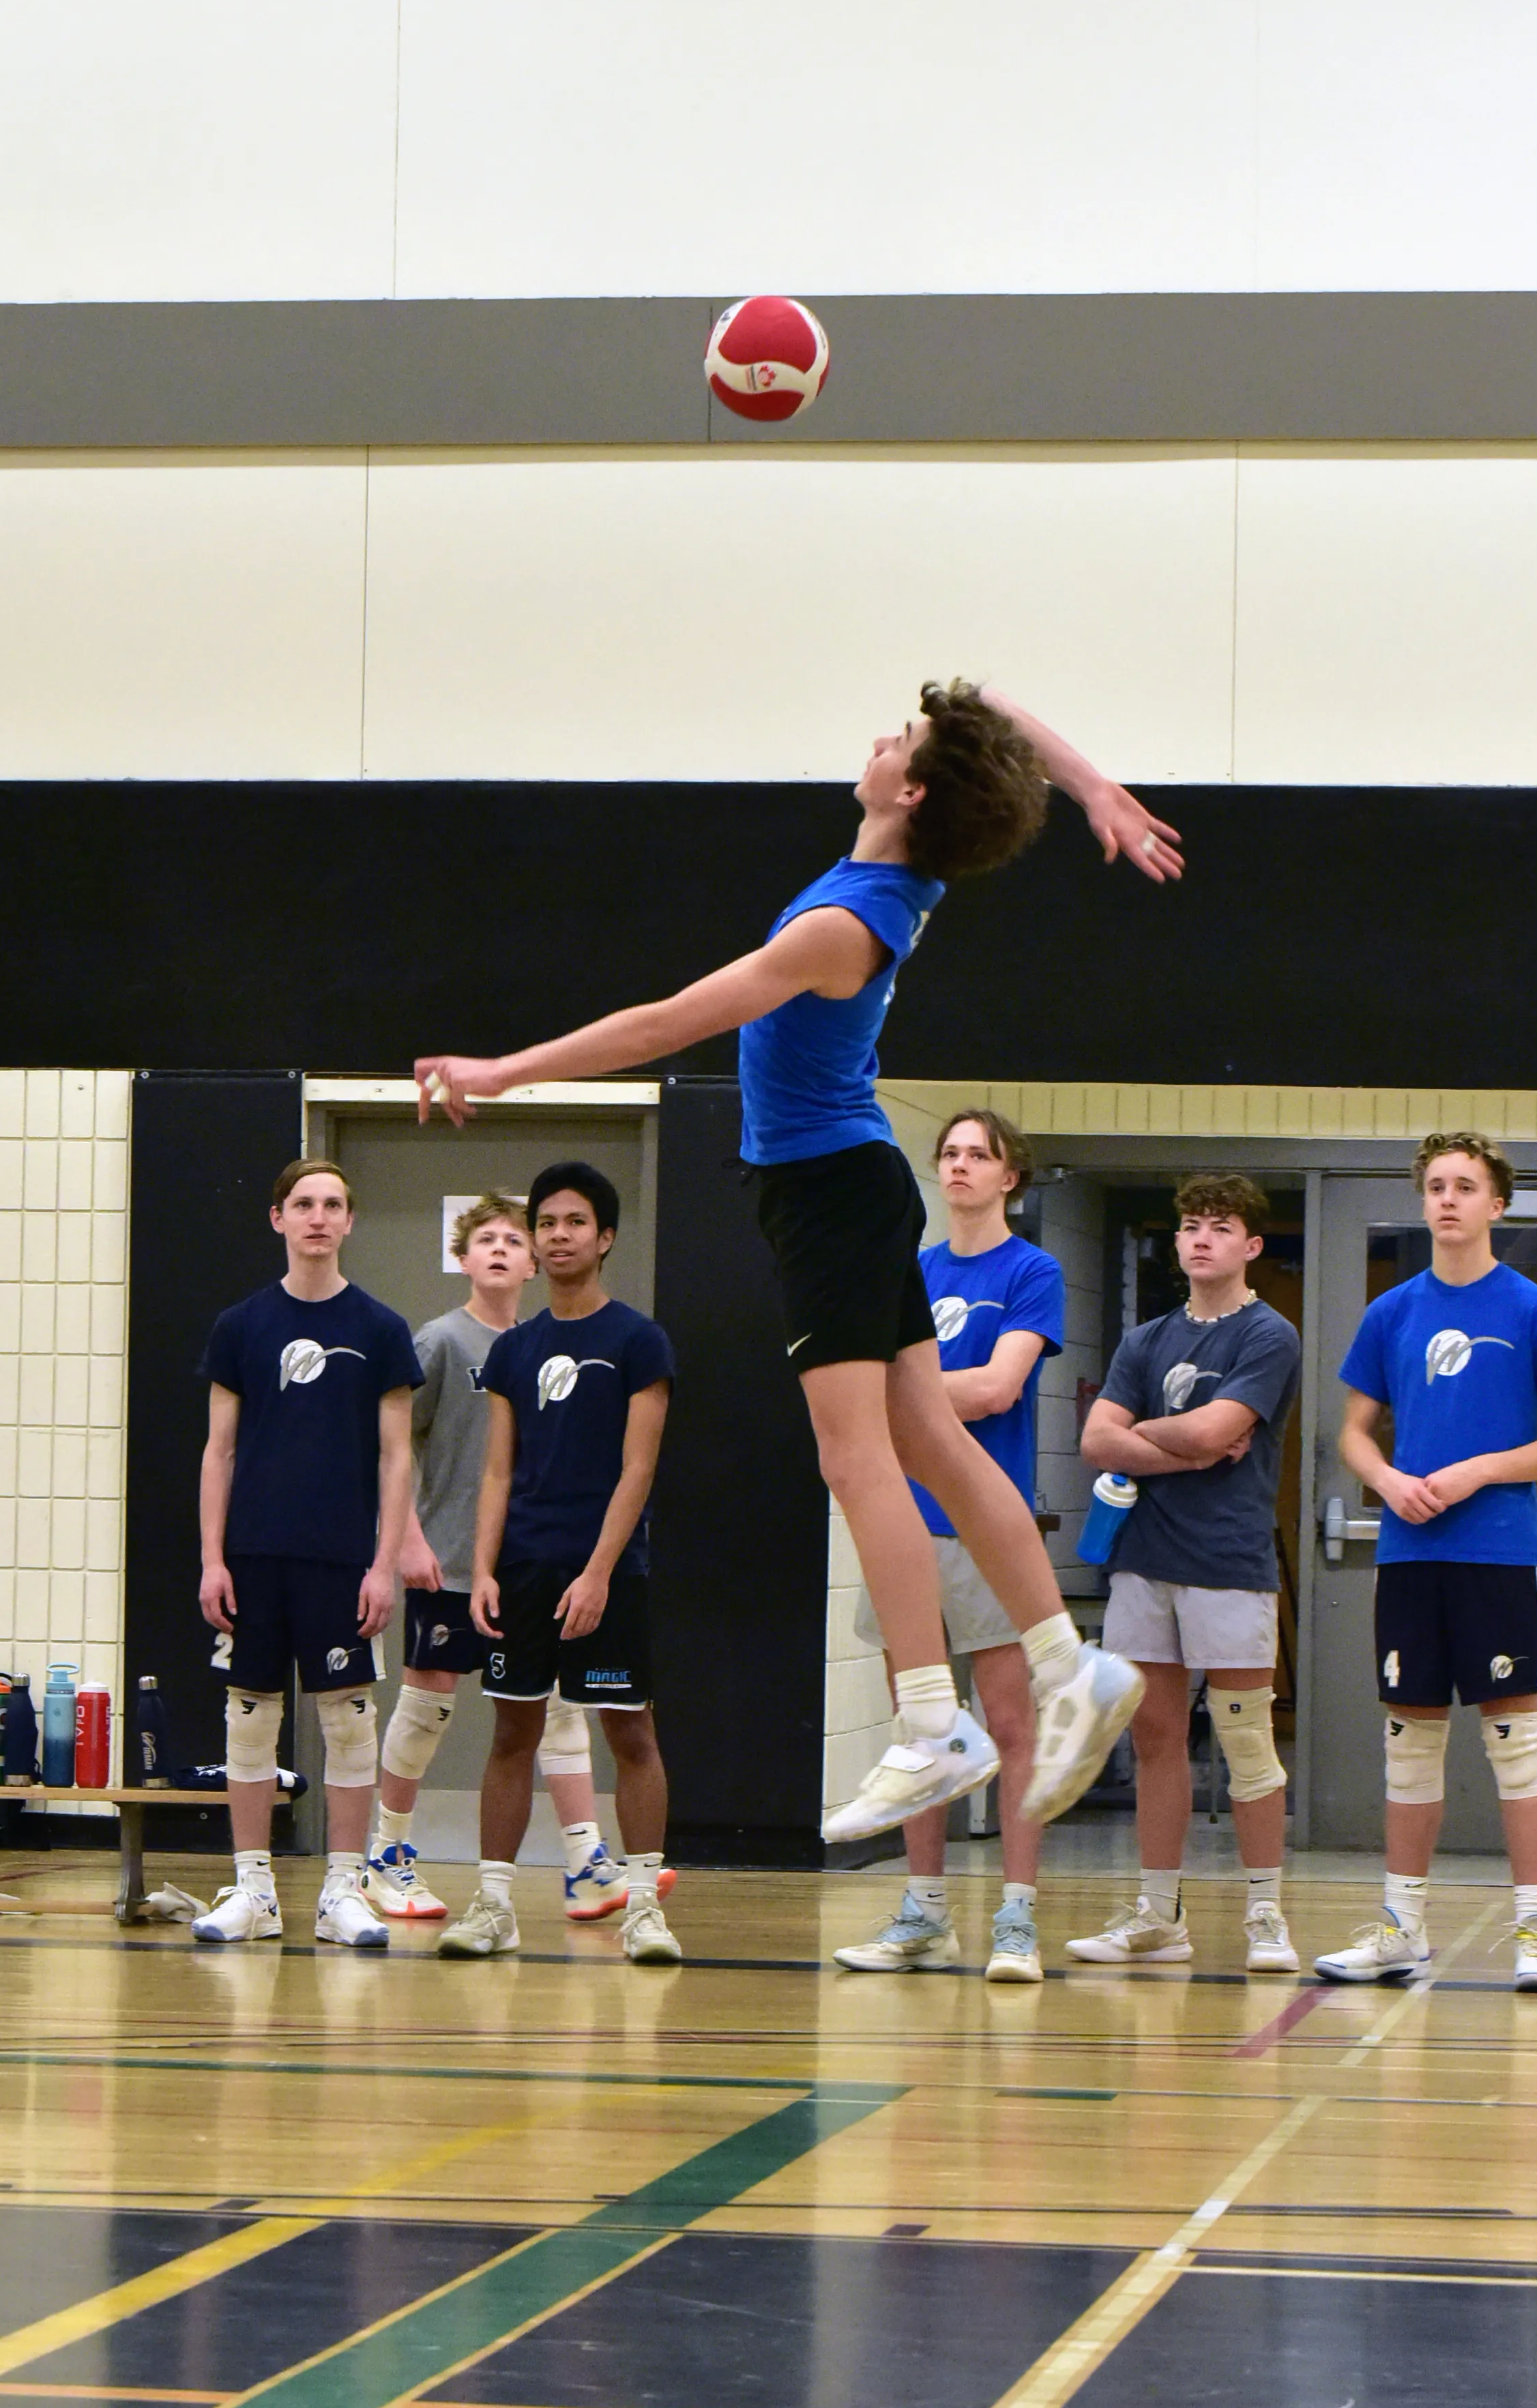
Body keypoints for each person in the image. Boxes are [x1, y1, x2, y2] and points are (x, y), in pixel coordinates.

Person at [414, 682, 1171, 1859]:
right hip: (849, 1187)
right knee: (930, 1441)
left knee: (856, 1454)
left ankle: (930, 1720)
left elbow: (666, 1023)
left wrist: (504, 1071)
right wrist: (1093, 788)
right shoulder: (901, 879)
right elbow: (990, 710)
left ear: (911, 790)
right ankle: (1071, 1665)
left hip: (829, 1196)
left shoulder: (843, 923)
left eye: (898, 741)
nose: (878, 740)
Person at [1319, 1131, 1537, 1994]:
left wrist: (1480, 1469)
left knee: (1514, 1742)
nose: (1446, 1199)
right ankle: (1400, 1930)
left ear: (1495, 1204)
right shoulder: (1390, 1312)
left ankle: (1535, 1932)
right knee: (1408, 1746)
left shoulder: (1532, 1310)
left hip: (1498, 1554)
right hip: (1409, 1555)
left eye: (1464, 1186)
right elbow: (1352, 1434)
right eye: (1435, 1185)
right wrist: (1384, 1481)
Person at [834, 1105, 1064, 1984]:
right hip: (905, 1525)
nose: (961, 1165)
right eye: (950, 1153)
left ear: (1010, 1176)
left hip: (982, 1527)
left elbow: (999, 1388)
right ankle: (923, 1912)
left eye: (979, 1154)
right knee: (920, 1729)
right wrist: (904, 1400)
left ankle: (1016, 1915)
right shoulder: (911, 1272)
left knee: (1008, 1723)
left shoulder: (1031, 1271)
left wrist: (904, 1400)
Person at [439, 1159, 680, 1967]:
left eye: (574, 1222)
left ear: (604, 1237)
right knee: (512, 1733)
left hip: (606, 1572)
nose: (557, 1235)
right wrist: (481, 1569)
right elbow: (496, 1471)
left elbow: (637, 1470)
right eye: (545, 1223)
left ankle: (642, 1908)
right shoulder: (514, 1350)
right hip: (523, 1568)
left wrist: (599, 1572)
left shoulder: (638, 1341)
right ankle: (493, 1905)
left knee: (630, 1733)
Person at [1064, 1174, 1304, 1977]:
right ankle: (1157, 1914)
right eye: (1191, 1226)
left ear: (1250, 1245)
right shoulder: (1143, 1341)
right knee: (1155, 1739)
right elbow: (1097, 1442)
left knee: (1244, 1741)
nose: (1201, 1238)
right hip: (1143, 1563)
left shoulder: (1267, 1335)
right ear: (1175, 1242)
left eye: (1220, 1227)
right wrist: (1186, 1447)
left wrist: (1151, 1435)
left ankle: (1265, 1913)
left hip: (1226, 1563)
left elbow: (1215, 1430)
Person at [372, 1191, 619, 1925]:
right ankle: (385, 1854)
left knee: (558, 1710)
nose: (503, 1251)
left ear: (535, 1260)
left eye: (516, 1240)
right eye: (488, 1241)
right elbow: (391, 1447)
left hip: (531, 1563)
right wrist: (408, 1538)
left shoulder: (545, 1344)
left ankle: (585, 1863)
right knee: (427, 1706)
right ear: (463, 1258)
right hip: (450, 1560)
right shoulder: (440, 1342)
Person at [195, 1157, 418, 1951]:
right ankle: (253, 1890)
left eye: (331, 1204)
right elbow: (219, 1451)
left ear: (349, 1221)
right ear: (278, 1218)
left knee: (349, 1725)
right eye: (302, 1204)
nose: (317, 1217)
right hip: (254, 1557)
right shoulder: (240, 1326)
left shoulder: (381, 1330)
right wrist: (212, 1558)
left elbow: (397, 1457)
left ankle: (342, 1893)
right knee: (248, 1721)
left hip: (340, 1560)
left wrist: (383, 1565)